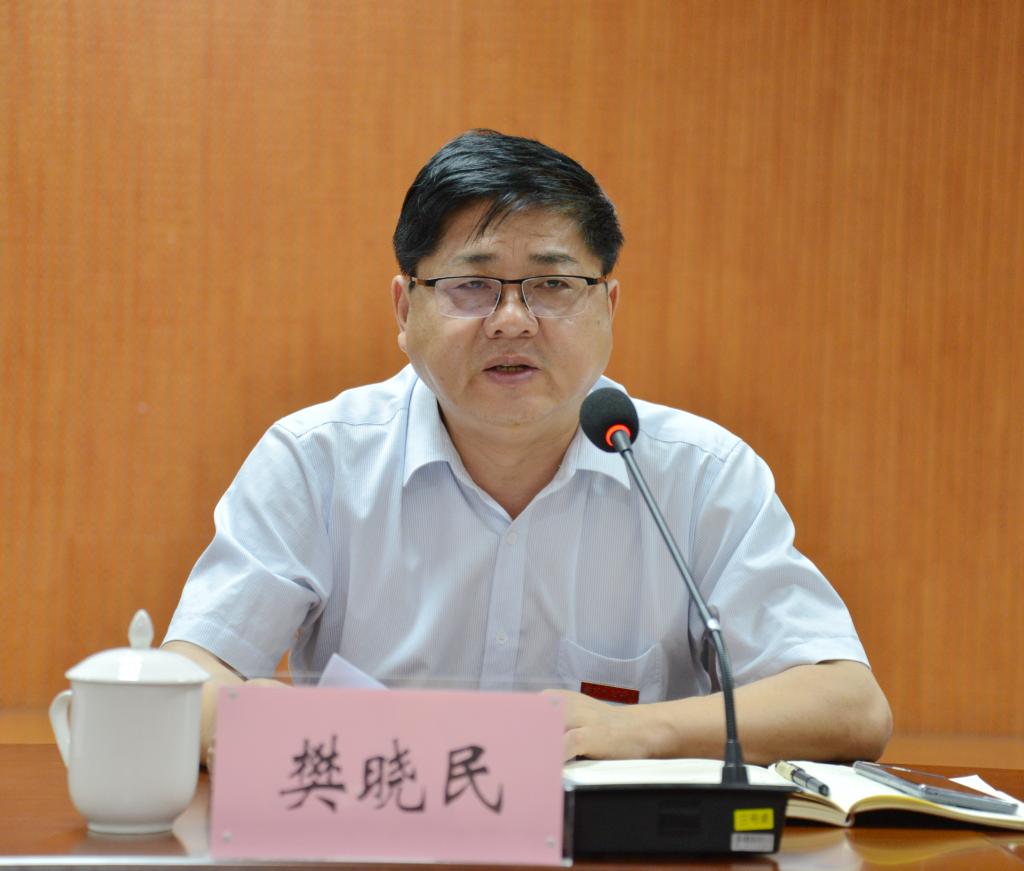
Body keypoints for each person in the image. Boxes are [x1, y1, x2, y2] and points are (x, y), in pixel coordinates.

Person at [164, 129, 892, 766]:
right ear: (404, 308)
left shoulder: (699, 475)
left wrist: (640, 731)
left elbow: (850, 705)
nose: (512, 320)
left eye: (552, 284)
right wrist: (286, 723)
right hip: (378, 846)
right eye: (472, 285)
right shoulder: (317, 460)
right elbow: (187, 678)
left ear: (607, 307)